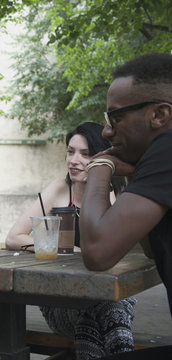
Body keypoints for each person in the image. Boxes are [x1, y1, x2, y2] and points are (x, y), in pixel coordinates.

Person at [5, 122, 137, 359]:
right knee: (102, 311)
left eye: (85, 154)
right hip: (61, 299)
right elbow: (13, 237)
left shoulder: (115, 195)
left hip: (108, 293)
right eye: (70, 151)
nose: (74, 160)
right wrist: (60, 247)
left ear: (102, 157)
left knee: (97, 313)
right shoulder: (58, 189)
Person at [79, 53, 172, 359]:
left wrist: (99, 166)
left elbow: (97, 251)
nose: (107, 132)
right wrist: (133, 172)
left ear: (159, 115)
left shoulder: (168, 147)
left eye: (116, 117)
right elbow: (148, 246)